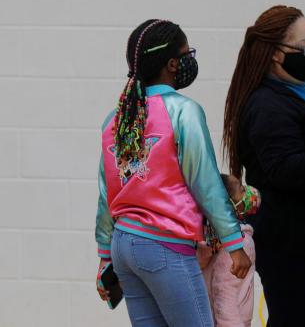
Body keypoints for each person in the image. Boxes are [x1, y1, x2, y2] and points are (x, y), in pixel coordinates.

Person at [94, 19, 251, 327]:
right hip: (164, 245)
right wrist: (234, 243)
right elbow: (204, 183)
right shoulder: (183, 110)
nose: (190, 60)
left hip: (124, 246)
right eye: (186, 53)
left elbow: (106, 192)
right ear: (171, 63)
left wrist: (104, 255)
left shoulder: (115, 119)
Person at [223, 6, 305, 327]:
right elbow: (285, 168)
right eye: (304, 47)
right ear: (277, 54)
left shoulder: (303, 93)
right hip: (293, 247)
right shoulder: (267, 105)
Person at [197, 174, 260, 327]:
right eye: (242, 190)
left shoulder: (209, 239)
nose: (250, 192)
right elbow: (225, 294)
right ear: (229, 204)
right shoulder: (239, 244)